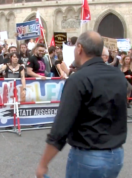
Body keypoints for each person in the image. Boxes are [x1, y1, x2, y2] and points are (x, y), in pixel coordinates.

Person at [36, 31, 127, 178]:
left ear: (79, 48)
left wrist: (43, 164)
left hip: (88, 157)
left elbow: (61, 127)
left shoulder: (78, 79)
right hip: (116, 155)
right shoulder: (118, 75)